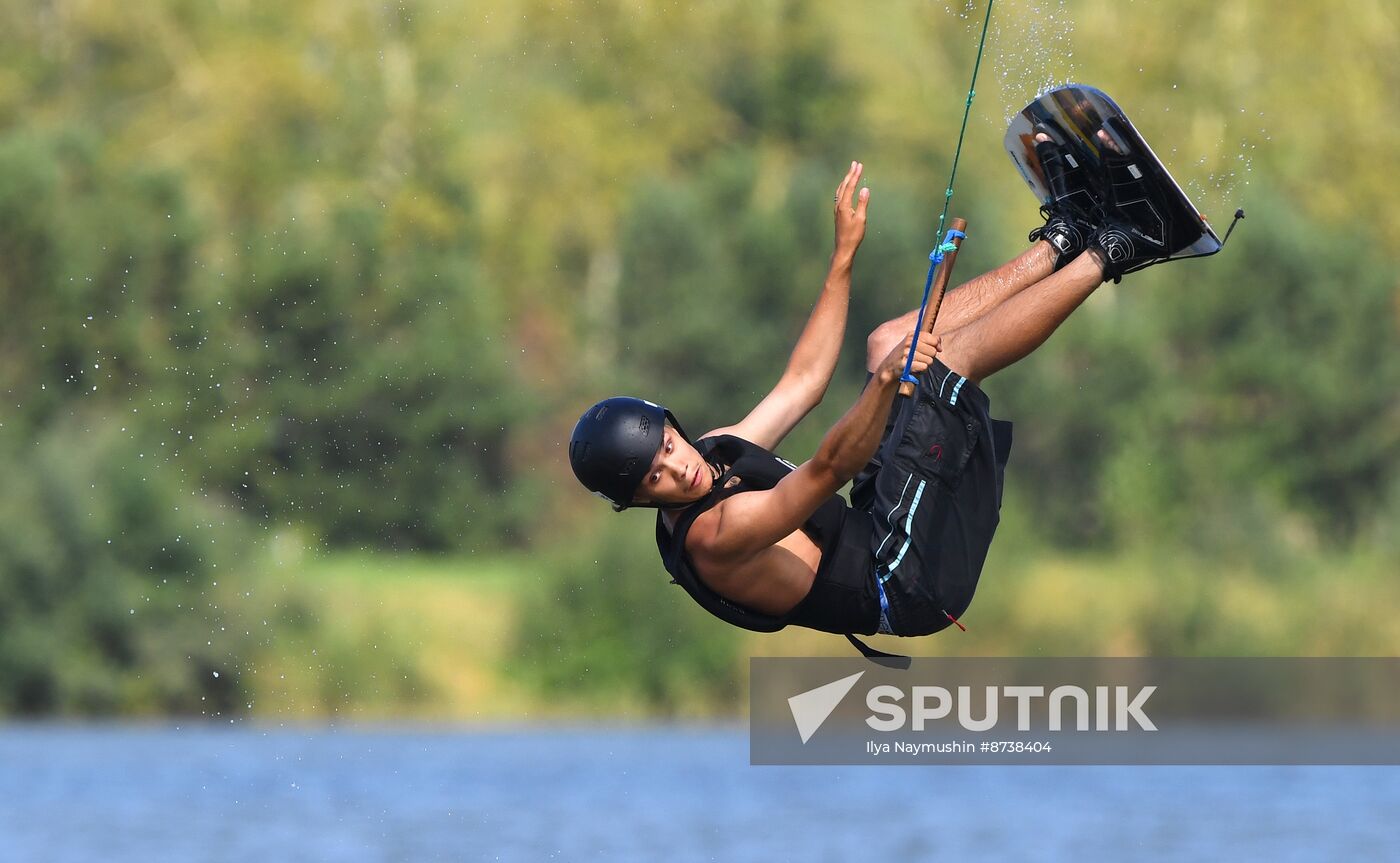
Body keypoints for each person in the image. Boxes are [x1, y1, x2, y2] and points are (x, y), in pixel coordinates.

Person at [569, 133, 1179, 658]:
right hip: (909, 579)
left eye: (668, 447)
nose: (678, 468)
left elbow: (803, 383)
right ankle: (1125, 241)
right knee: (945, 367)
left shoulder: (712, 452)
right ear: (637, 501)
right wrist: (886, 382)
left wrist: (842, 257)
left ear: (672, 427)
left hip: (876, 520)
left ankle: (1064, 239)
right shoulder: (716, 536)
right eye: (655, 479)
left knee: (889, 339)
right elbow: (830, 467)